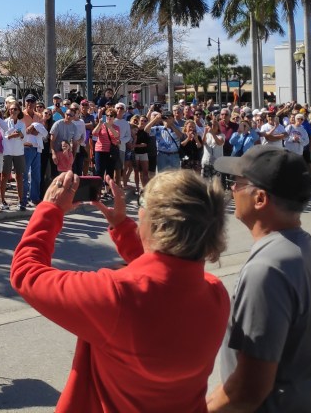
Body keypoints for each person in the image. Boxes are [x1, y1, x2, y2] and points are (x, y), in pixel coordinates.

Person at [11, 169, 229, 412]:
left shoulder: (117, 295)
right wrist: (123, 227)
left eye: (141, 202)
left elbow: (26, 273)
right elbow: (164, 279)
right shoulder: (215, 295)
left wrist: (50, 209)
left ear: (156, 223)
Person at [208, 145, 311, 413]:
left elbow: (247, 390)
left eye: (238, 183)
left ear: (260, 199)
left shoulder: (267, 269)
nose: (232, 190)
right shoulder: (307, 248)